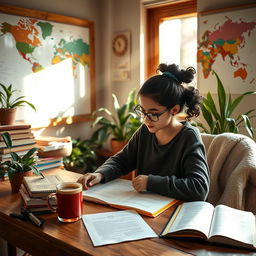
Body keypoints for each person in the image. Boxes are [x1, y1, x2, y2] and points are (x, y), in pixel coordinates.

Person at [78, 63, 210, 201]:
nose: (146, 119)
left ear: (174, 110)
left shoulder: (189, 137)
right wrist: (100, 174)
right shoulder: (146, 131)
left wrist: (151, 183)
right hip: (145, 208)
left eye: (153, 113)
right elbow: (122, 160)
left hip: (177, 212)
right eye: (143, 111)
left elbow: (199, 188)